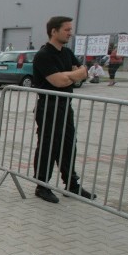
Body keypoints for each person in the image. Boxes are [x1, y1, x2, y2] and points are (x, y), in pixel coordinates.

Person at [31, 16, 96, 203]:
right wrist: (71, 76)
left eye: (70, 29)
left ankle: (72, 185)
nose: (70, 32)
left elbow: (84, 73)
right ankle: (42, 185)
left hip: (65, 105)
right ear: (54, 31)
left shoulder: (67, 53)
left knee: (69, 145)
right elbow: (58, 82)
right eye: (66, 29)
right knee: (48, 146)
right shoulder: (44, 55)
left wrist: (69, 75)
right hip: (49, 106)